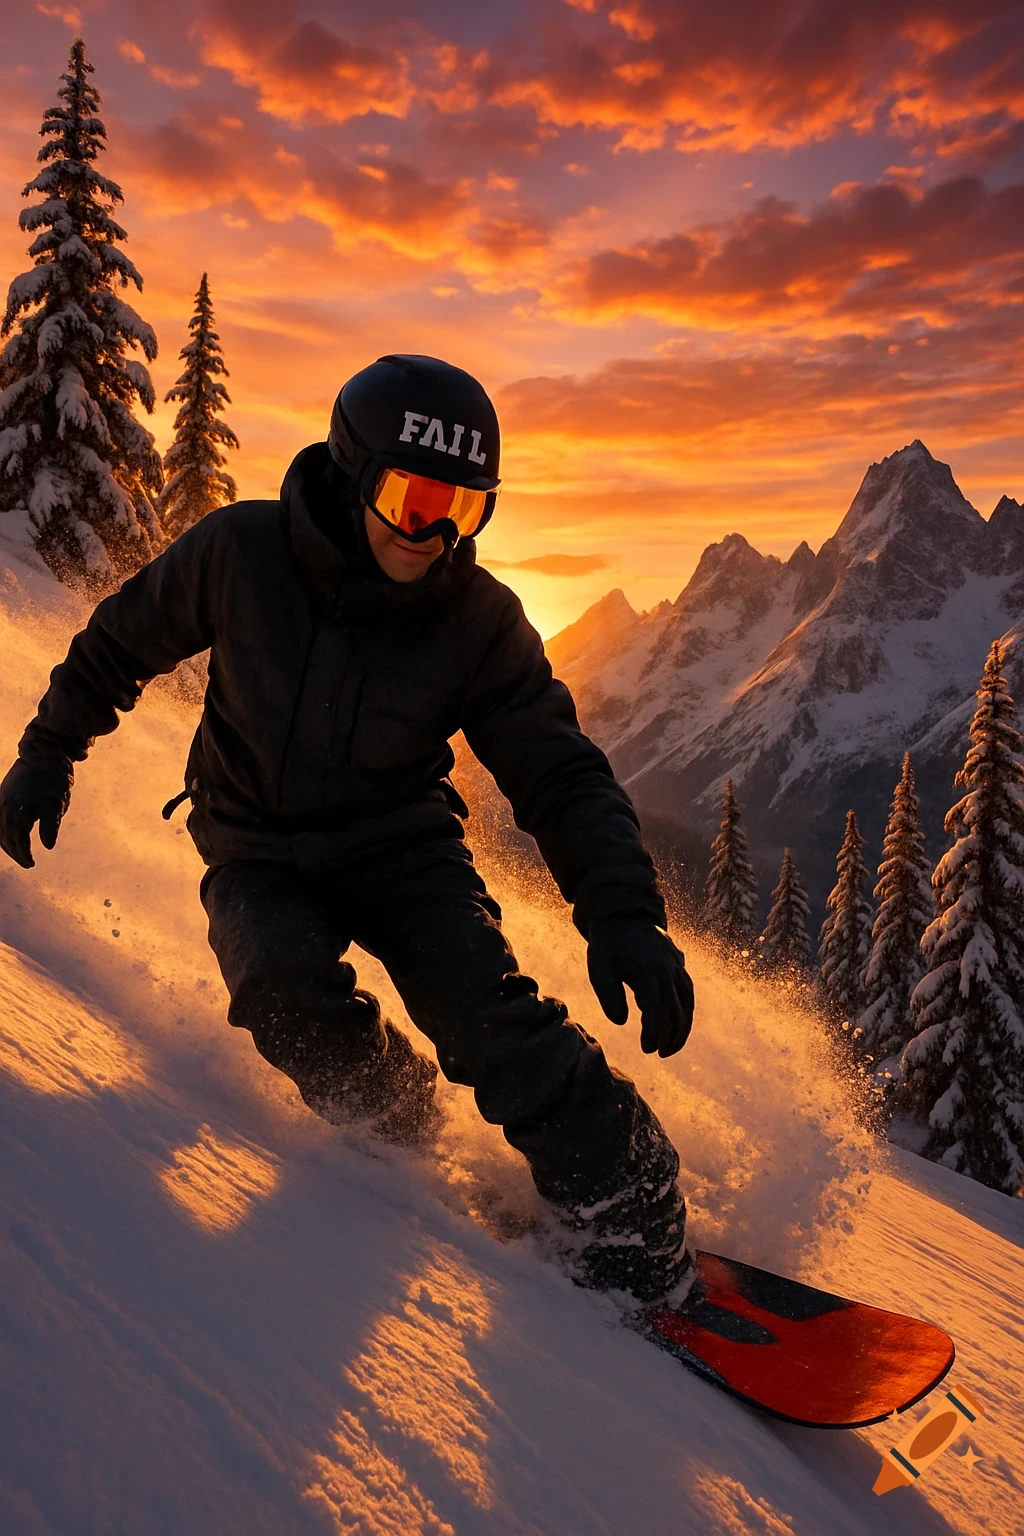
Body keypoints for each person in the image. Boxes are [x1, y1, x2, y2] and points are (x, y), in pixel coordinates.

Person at [0, 354, 696, 1304]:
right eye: (417, 502)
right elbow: (119, 644)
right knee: (279, 983)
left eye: (468, 510)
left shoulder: (478, 620)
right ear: (354, 471)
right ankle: (400, 1129)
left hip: (402, 849)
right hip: (253, 846)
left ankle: (632, 1205)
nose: (438, 535)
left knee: (476, 1004)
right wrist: (48, 753)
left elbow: (558, 767)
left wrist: (623, 911)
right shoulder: (242, 555)